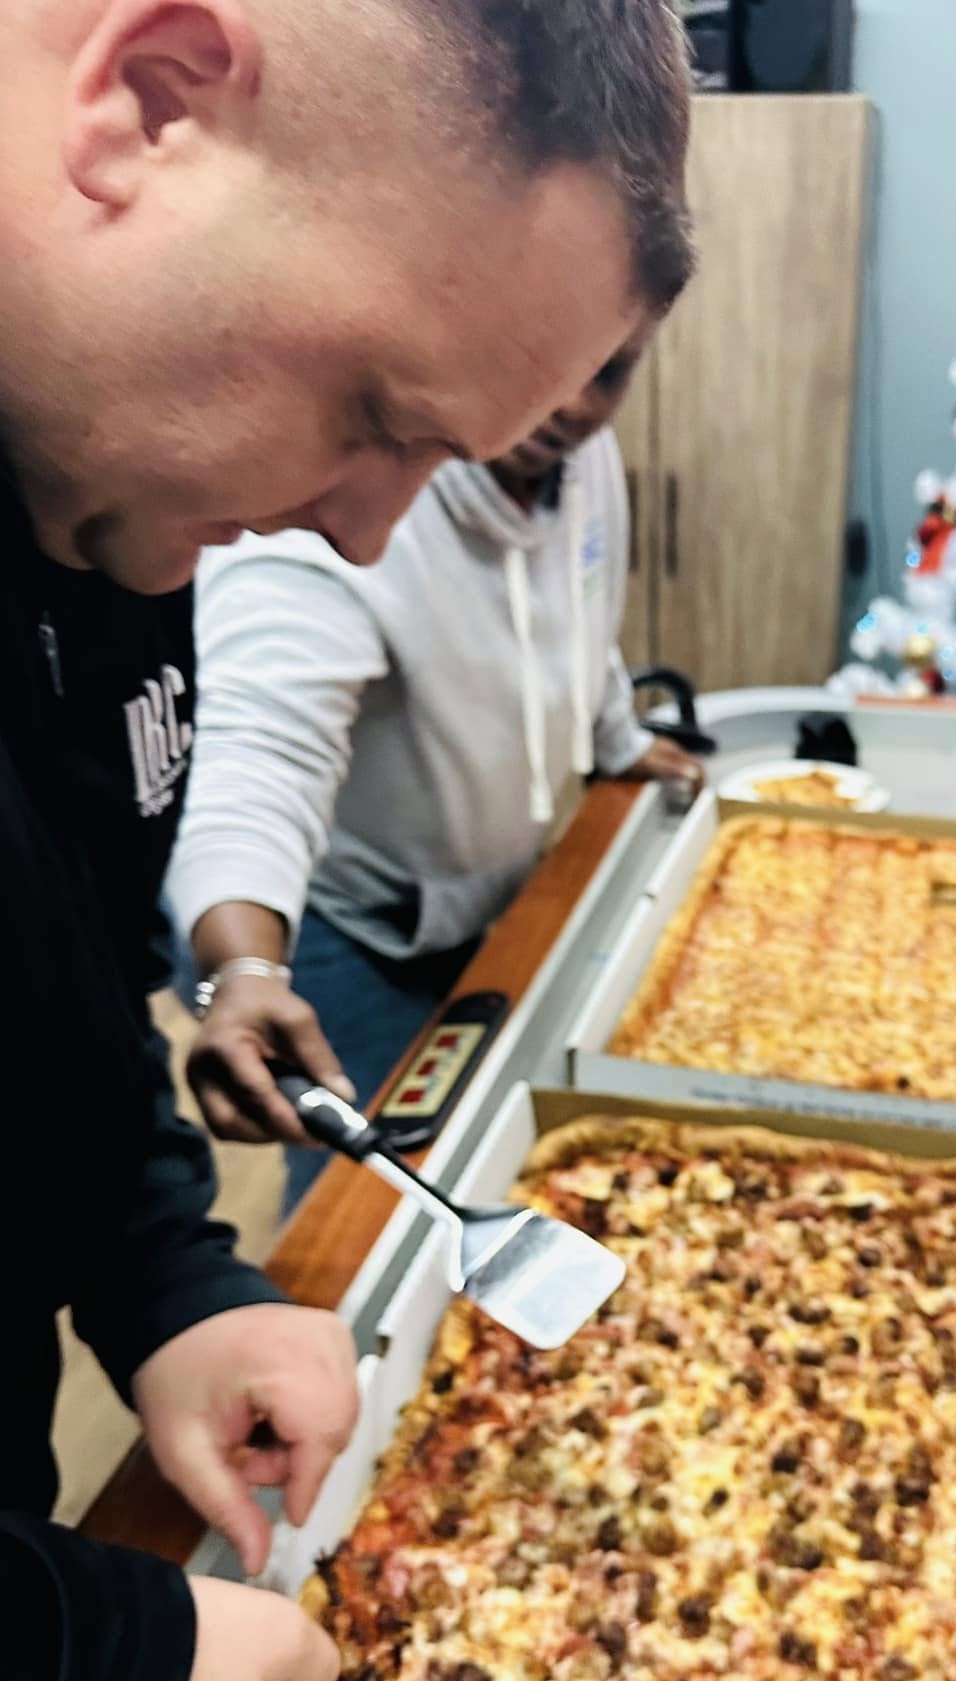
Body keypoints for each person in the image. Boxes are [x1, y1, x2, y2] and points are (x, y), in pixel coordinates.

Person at [0, 0, 692, 1681]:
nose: (362, 533)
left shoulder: (91, 492)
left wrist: (165, 1275)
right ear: (148, 104)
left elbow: (46, 991)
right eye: (375, 412)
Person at [168, 346, 703, 1208]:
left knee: (477, 1139)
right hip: (346, 926)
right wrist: (245, 971)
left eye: (607, 375)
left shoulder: (583, 460)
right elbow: (258, 754)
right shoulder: (335, 498)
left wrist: (616, 734)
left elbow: (580, 604)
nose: (574, 405)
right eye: (548, 365)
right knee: (372, 1198)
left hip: (489, 896)